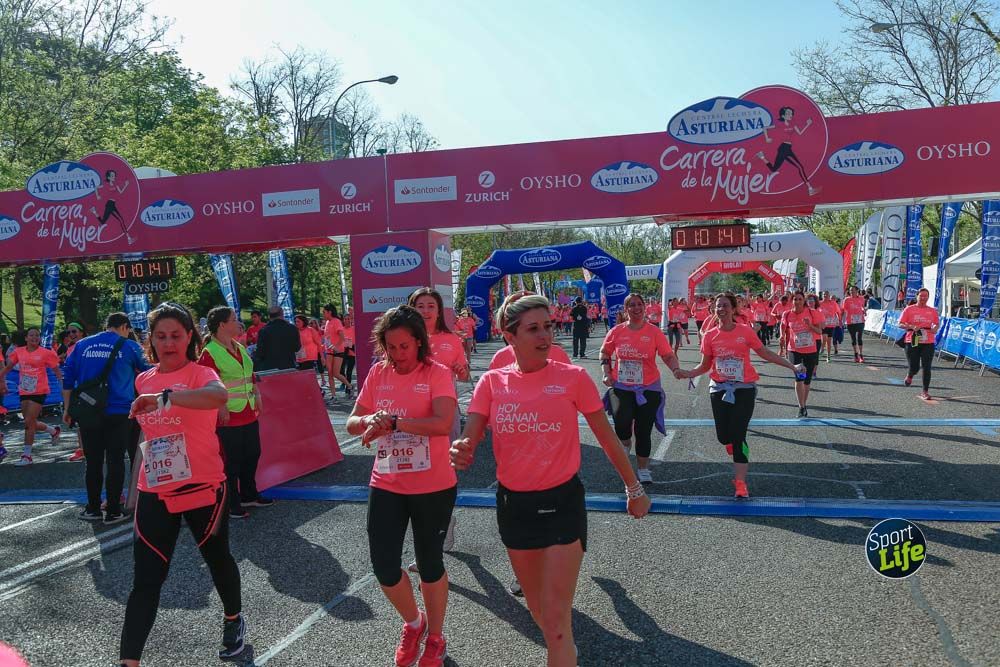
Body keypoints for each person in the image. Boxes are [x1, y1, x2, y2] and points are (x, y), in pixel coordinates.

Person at [451, 294, 650, 667]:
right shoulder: (492, 383)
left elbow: (608, 439)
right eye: (533, 329)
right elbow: (471, 435)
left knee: (557, 623)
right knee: (540, 613)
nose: (545, 336)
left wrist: (634, 488)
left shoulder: (572, 377)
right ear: (509, 336)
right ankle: (565, 651)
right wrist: (461, 449)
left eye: (548, 326)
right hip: (515, 507)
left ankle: (562, 650)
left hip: (562, 504)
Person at [120, 302, 246, 666]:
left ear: (189, 337)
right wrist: (133, 490)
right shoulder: (143, 379)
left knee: (217, 559)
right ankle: (129, 661)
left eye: (176, 335)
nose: (168, 342)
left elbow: (219, 397)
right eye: (160, 336)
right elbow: (147, 438)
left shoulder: (200, 373)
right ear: (151, 340)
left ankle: (234, 619)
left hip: (203, 487)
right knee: (146, 580)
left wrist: (167, 398)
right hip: (155, 490)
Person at [346, 305, 457, 667]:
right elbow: (352, 423)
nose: (398, 355)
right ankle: (414, 623)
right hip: (388, 481)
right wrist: (371, 419)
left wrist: (396, 422)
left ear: (419, 343)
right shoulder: (379, 373)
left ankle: (436, 638)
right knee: (384, 566)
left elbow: (443, 423)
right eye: (391, 347)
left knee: (429, 563)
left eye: (404, 346)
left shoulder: (437, 373)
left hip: (433, 484)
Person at [676, 293, 804, 498]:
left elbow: (765, 353)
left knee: (738, 435)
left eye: (725, 305)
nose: (721, 309)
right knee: (723, 436)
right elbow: (705, 365)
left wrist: (792, 366)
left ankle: (740, 482)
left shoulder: (744, 331)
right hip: (719, 388)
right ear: (714, 310)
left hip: (744, 388)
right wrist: (688, 373)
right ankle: (732, 443)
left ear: (734, 308)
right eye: (718, 306)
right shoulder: (710, 335)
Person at [61, 313, 149, 521]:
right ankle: (113, 511)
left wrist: (67, 409)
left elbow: (68, 378)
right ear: (125, 327)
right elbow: (148, 371)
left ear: (106, 326)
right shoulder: (128, 346)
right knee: (116, 460)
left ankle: (92, 508)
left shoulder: (82, 345)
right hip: (119, 410)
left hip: (88, 410)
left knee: (92, 461)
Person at [199, 306, 272, 520]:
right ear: (222, 325)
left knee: (253, 453)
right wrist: (220, 405)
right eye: (233, 319)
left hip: (248, 410)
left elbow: (248, 375)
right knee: (232, 461)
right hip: (228, 415)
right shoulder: (209, 352)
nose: (238, 322)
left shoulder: (238, 347)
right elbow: (208, 383)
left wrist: (257, 394)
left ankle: (250, 493)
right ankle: (233, 502)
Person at [600, 293, 681, 485]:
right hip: (622, 386)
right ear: (626, 309)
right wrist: (606, 372)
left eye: (639, 304)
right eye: (632, 305)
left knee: (644, 431)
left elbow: (667, 355)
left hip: (648, 388)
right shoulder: (617, 331)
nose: (636, 308)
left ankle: (643, 469)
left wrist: (676, 369)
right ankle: (626, 441)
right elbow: (605, 352)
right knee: (622, 422)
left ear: (644, 307)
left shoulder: (653, 332)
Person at [0, 327, 63, 467]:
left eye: (37, 335)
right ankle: (53, 431)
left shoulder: (46, 353)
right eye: (31, 335)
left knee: (28, 422)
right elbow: (8, 367)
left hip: (40, 390)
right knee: (31, 423)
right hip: (24, 390)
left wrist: (62, 385)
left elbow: (57, 370)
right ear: (26, 338)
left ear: (39, 339)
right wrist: (1, 376)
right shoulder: (19, 352)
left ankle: (27, 455)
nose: (34, 337)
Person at [780, 291, 825, 418]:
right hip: (794, 349)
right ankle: (801, 406)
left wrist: (809, 325)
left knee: (806, 380)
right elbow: (783, 326)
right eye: (795, 299)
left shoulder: (812, 313)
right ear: (792, 301)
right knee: (799, 377)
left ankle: (804, 404)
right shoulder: (787, 314)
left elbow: (819, 331)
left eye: (800, 299)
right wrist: (782, 336)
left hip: (810, 349)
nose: (797, 302)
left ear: (803, 301)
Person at [899, 287, 940, 400]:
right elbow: (900, 324)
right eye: (921, 296)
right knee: (915, 367)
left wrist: (935, 329)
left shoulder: (932, 311)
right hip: (913, 340)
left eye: (925, 296)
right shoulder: (909, 309)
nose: (923, 298)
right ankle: (911, 374)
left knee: (927, 367)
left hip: (928, 341)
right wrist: (912, 326)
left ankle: (925, 391)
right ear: (917, 296)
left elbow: (936, 324)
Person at [253, 306, 300, 372]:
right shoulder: (292, 328)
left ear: (269, 316)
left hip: (270, 368)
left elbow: (260, 352)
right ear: (282, 314)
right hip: (288, 366)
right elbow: (297, 347)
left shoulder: (264, 331)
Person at [323, 304, 351, 397]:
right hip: (329, 350)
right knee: (329, 373)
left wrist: (335, 347)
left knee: (336, 373)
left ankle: (349, 386)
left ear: (329, 312)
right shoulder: (327, 322)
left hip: (338, 351)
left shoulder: (337, 321)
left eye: (324, 312)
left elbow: (342, 337)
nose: (323, 314)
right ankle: (333, 396)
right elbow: (327, 337)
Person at [842, 286, 868, 363]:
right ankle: (855, 354)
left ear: (857, 291)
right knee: (853, 339)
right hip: (850, 321)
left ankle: (861, 354)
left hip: (860, 321)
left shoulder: (861, 298)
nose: (851, 292)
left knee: (859, 338)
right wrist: (841, 320)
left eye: (853, 290)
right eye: (850, 290)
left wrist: (864, 311)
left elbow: (862, 307)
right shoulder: (847, 300)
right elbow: (843, 310)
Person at [818, 292, 842, 362]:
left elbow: (838, 312)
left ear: (829, 296)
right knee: (824, 338)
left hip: (831, 324)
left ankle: (828, 356)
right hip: (823, 324)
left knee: (829, 341)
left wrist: (840, 320)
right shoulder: (820, 303)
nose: (825, 296)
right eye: (824, 295)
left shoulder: (833, 303)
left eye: (826, 295)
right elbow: (816, 312)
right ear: (822, 296)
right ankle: (822, 348)